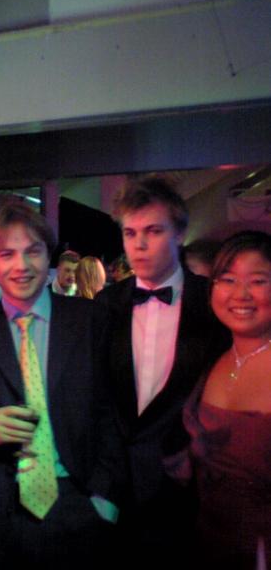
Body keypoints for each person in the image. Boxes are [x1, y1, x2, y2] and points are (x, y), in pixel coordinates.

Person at [0, 201, 122, 569]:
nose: (21, 265)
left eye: (32, 251)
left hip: (77, 504)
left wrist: (104, 500)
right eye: (7, 254)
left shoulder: (91, 321)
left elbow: (113, 413)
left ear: (48, 256)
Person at [95, 177, 230, 567]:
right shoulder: (106, 304)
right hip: (116, 490)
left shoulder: (213, 302)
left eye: (153, 231)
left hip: (185, 490)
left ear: (180, 233)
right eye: (130, 233)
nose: (138, 244)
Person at [166, 230, 271, 568]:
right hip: (206, 541)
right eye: (227, 279)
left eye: (258, 281)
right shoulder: (213, 358)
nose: (241, 294)